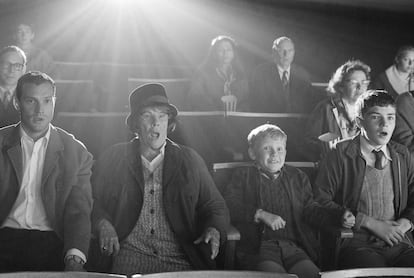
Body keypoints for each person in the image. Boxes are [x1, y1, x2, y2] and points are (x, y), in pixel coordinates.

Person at [91, 83, 230, 276]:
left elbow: (215, 206)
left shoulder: (189, 160)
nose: (156, 122)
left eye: (162, 116)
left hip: (180, 258)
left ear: (169, 122)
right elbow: (91, 201)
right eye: (147, 115)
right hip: (129, 256)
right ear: (135, 124)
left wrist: (214, 229)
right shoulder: (114, 158)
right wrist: (102, 223)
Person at [0, 71, 93, 272]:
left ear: (54, 102)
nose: (39, 110)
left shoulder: (76, 152)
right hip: (4, 237)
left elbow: (78, 210)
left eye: (46, 101)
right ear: (17, 103)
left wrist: (75, 258)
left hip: (52, 241)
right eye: (31, 101)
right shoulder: (1, 142)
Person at [313, 90, 414, 269]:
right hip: (356, 242)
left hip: (398, 240)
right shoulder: (340, 154)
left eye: (390, 117)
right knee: (373, 271)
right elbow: (319, 200)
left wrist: (406, 223)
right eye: (376, 117)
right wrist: (367, 222)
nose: (385, 124)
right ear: (360, 122)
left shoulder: (401, 154)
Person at [224, 124, 323, 278]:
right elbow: (230, 205)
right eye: (266, 149)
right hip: (259, 248)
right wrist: (260, 214)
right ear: (252, 153)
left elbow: (310, 209)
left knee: (313, 275)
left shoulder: (297, 176)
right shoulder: (243, 176)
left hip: (293, 246)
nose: (274, 154)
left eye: (279, 149)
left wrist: (338, 215)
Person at [305, 59, 371, 161]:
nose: (360, 87)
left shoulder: (370, 110)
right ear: (341, 85)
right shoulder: (326, 108)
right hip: (333, 164)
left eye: (364, 82)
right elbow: (309, 141)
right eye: (354, 83)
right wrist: (325, 147)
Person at [250, 36, 314, 113]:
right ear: (274, 52)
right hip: (269, 121)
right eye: (281, 51)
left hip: (297, 122)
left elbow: (308, 104)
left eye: (290, 51)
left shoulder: (302, 74)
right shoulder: (261, 73)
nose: (286, 55)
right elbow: (257, 104)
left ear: (294, 53)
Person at [187, 35, 249, 111]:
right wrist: (217, 109)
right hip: (211, 117)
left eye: (229, 50)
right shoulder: (203, 72)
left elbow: (246, 99)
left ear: (234, 53)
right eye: (220, 50)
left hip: (237, 118)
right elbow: (196, 97)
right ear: (214, 53)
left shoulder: (239, 73)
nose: (225, 53)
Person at [0, 45, 27, 128]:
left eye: (17, 66)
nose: (11, 70)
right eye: (6, 64)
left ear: (23, 69)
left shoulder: (29, 94)